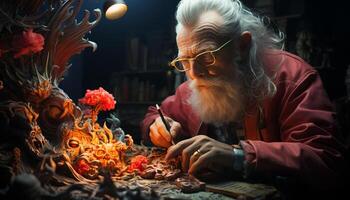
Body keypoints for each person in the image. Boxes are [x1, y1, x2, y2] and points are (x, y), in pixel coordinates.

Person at [141, 0, 346, 193]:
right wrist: (156, 126)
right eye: (185, 60)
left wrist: (238, 155)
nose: (194, 72)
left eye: (207, 56)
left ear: (242, 46)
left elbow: (325, 160)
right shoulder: (195, 84)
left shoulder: (292, 77)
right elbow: (154, 114)